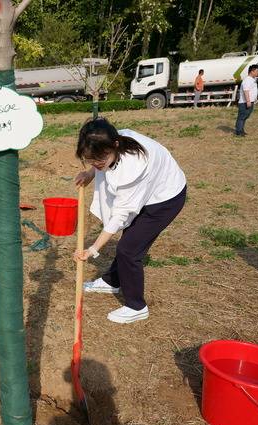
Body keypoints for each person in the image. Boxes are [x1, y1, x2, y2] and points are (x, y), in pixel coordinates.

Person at [73, 118, 187, 324]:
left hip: (166, 199)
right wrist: (90, 173)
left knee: (128, 249)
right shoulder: (109, 139)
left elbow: (120, 215)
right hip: (151, 190)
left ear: (115, 145)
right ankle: (112, 281)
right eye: (91, 160)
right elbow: (98, 158)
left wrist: (93, 249)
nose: (96, 165)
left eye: (99, 160)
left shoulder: (134, 169)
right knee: (129, 240)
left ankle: (137, 306)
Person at [235, 64, 258, 136]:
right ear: (252, 71)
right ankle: (238, 132)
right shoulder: (247, 80)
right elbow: (246, 91)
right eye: (257, 71)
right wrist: (248, 101)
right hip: (244, 102)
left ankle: (241, 130)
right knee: (242, 117)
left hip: (249, 102)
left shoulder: (252, 79)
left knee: (245, 117)